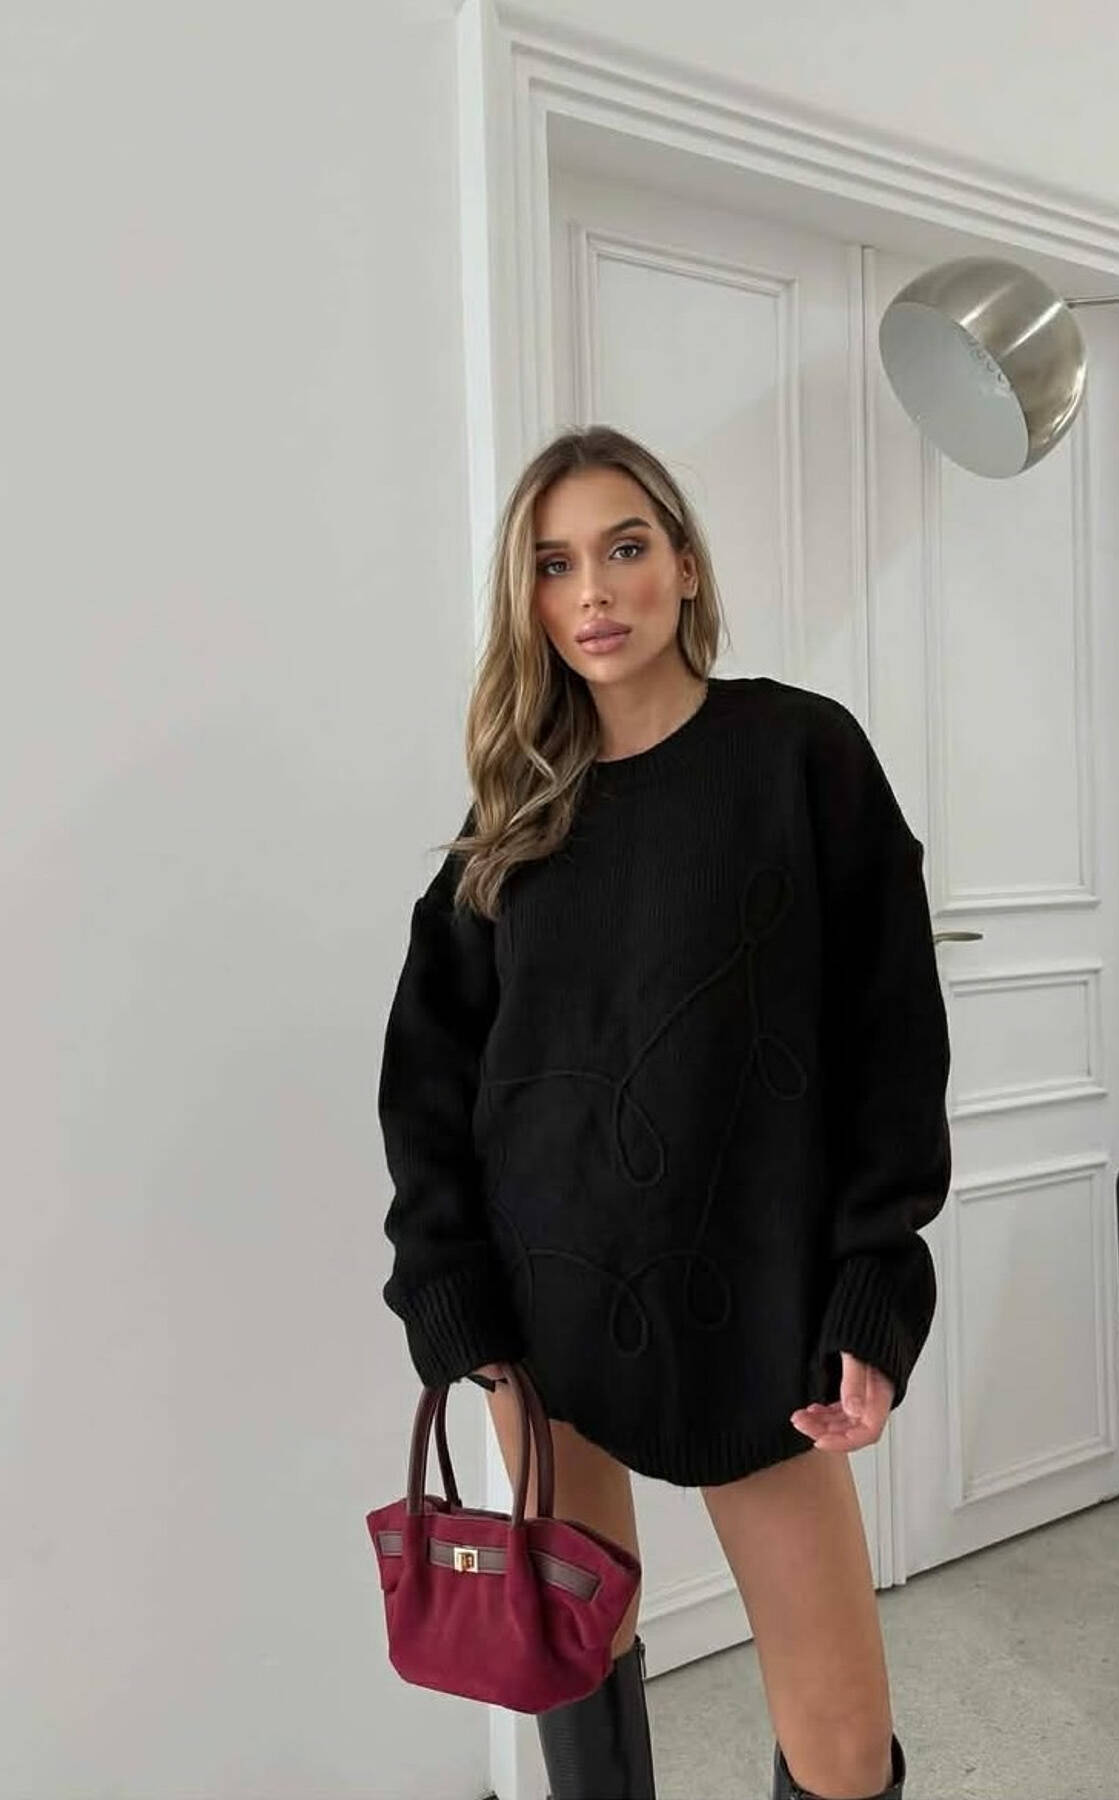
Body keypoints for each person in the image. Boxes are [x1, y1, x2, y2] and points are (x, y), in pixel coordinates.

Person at [376, 424, 951, 1800]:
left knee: (840, 1740)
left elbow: (891, 1042)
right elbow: (429, 1082)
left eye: (624, 547)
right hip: (544, 1316)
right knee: (581, 1657)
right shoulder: (513, 818)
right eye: (553, 564)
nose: (593, 591)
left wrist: (874, 1287)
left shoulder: (803, 756)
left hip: (758, 1312)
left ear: (684, 565)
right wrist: (455, 1306)